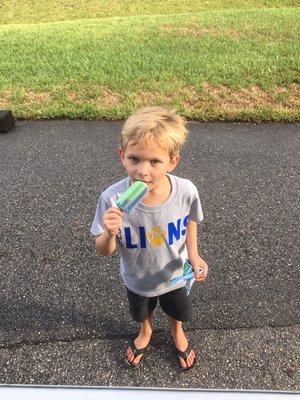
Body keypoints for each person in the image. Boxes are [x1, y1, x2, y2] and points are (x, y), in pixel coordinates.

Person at [90, 106, 208, 371]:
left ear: (172, 161)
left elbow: (190, 221)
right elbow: (103, 250)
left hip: (175, 273)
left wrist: (195, 254)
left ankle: (177, 332)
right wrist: (109, 233)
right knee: (141, 312)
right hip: (138, 278)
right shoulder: (111, 199)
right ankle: (146, 331)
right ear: (122, 156)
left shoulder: (185, 191)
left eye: (155, 162)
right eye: (135, 159)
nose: (143, 171)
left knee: (178, 311)